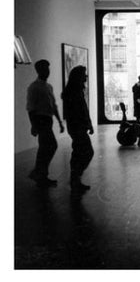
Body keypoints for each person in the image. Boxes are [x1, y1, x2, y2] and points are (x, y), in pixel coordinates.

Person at [26, 59, 65, 187]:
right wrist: (33, 125)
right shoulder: (34, 87)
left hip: (47, 120)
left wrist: (59, 121)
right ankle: (40, 173)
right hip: (40, 120)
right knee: (50, 146)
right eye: (44, 69)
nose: (47, 71)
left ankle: (40, 173)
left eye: (48, 69)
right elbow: (31, 108)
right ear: (38, 70)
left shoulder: (48, 87)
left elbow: (53, 105)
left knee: (45, 147)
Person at [62, 66, 94, 194]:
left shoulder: (75, 91)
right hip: (77, 127)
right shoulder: (74, 92)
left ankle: (75, 179)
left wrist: (89, 123)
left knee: (78, 152)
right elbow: (78, 111)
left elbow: (83, 109)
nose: (86, 77)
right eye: (84, 75)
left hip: (77, 126)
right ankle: (75, 178)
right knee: (86, 152)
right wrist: (87, 124)